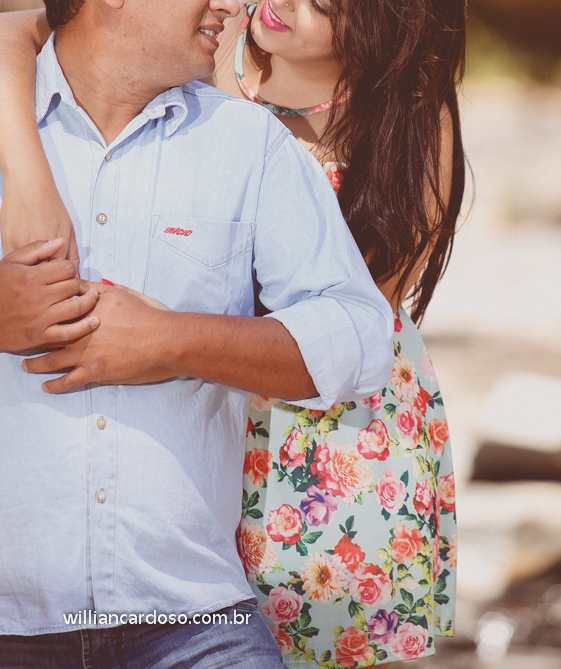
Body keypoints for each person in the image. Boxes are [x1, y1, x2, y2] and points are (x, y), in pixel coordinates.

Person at [0, 0, 466, 662]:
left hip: (332, 439)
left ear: (377, 36)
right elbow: (23, 28)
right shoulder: (218, 46)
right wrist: (26, 179)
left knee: (339, 639)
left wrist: (166, 340)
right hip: (221, 448)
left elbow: (361, 322)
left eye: (324, 8)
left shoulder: (349, 127)